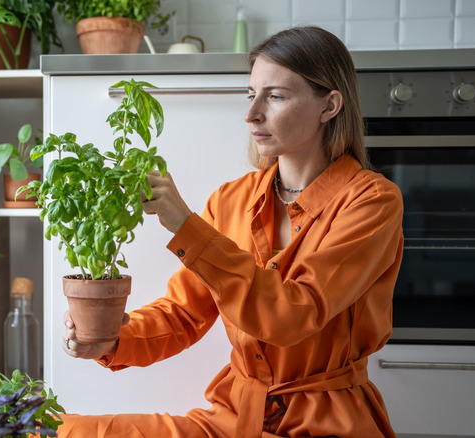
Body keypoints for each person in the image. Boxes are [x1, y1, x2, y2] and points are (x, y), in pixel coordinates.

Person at [58, 25, 403, 438]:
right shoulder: (232, 199)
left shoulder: (372, 202)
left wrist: (186, 227)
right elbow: (184, 313)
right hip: (235, 418)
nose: (251, 112)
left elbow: (294, 313)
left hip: (326, 422)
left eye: (275, 96)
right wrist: (113, 341)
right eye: (251, 93)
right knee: (61, 430)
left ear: (329, 106)